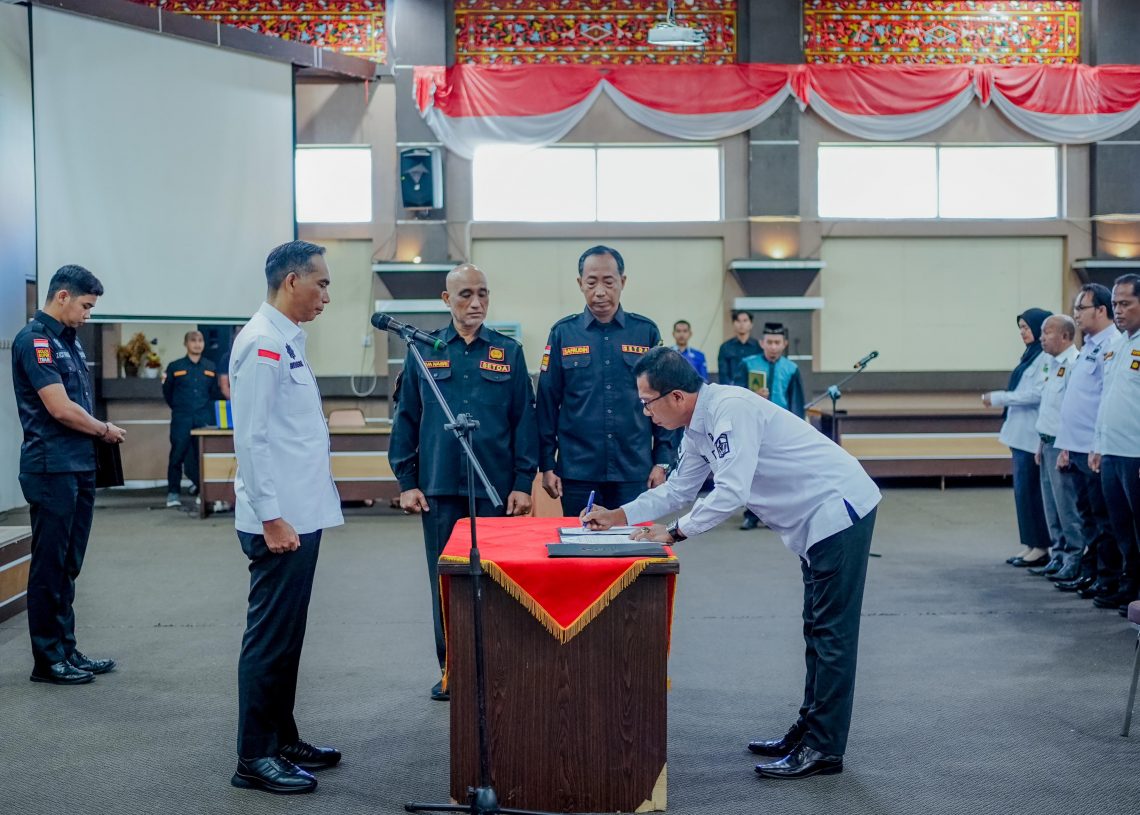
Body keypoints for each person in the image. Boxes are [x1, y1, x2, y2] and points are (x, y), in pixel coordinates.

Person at [582, 347, 880, 780]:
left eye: (647, 402)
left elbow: (732, 492)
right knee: (815, 628)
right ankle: (810, 729)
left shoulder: (729, 411)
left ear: (678, 396)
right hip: (814, 521)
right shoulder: (697, 427)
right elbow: (680, 491)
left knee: (831, 633)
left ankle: (824, 747)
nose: (645, 412)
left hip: (838, 511)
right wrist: (620, 515)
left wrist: (675, 532)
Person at [389, 263, 537, 702]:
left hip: (495, 488)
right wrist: (406, 480)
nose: (475, 303)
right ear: (445, 299)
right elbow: (407, 420)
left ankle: (497, 666)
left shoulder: (508, 352)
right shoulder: (423, 351)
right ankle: (452, 667)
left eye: (483, 294)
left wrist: (524, 481)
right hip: (440, 488)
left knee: (496, 581)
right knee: (447, 582)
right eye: (465, 295)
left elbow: (523, 421)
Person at [229, 241, 343, 795]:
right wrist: (272, 517)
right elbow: (249, 439)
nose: (327, 294)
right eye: (320, 283)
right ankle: (253, 757)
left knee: (289, 637)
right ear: (291, 281)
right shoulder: (263, 343)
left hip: (300, 515)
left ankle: (281, 736)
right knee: (270, 639)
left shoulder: (286, 341)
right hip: (279, 524)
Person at [12, 264, 126, 685]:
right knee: (49, 565)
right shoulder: (36, 341)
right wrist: (104, 430)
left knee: (69, 565)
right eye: (85, 306)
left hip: (79, 465)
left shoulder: (69, 343)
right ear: (62, 296)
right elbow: (59, 408)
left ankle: (66, 649)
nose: (88, 314)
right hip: (51, 467)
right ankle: (47, 659)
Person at [536, 245, 675, 515]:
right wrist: (546, 465)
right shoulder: (563, 333)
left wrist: (663, 460)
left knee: (631, 548)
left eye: (608, 282)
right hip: (578, 471)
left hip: (633, 468)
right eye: (591, 282)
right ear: (580, 284)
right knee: (581, 547)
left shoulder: (645, 332)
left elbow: (664, 400)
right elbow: (547, 403)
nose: (600, 291)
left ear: (622, 282)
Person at [1052, 284, 1121, 598]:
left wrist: (1096, 444)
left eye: (1081, 308)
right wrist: (1065, 444)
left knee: (1102, 518)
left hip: (1094, 449)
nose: (1076, 315)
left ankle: (1108, 578)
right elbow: (1075, 399)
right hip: (1076, 445)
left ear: (1101, 310)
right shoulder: (1090, 345)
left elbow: (1106, 400)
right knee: (1086, 516)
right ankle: (1090, 572)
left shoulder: (1113, 345)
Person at [983, 308, 1052, 568]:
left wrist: (1000, 397)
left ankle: (1041, 545)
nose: (1023, 333)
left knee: (1031, 493)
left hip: (1032, 435)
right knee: (1023, 493)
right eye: (1020, 328)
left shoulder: (1045, 357)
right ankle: (1031, 544)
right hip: (1020, 435)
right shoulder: (1030, 356)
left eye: (1026, 327)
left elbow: (1035, 394)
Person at [1089, 273, 1140, 613]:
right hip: (1112, 451)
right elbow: (1106, 398)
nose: (1118, 311)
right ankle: (1130, 586)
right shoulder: (1116, 345)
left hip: (1135, 453)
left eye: (1126, 303)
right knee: (1121, 527)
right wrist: (1097, 444)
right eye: (1115, 304)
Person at [1027, 315, 1081, 580]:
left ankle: (1075, 558)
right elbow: (1049, 409)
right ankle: (1058, 554)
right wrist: (1040, 443)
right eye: (1041, 332)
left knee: (1066, 506)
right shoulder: (1050, 363)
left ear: (1065, 336)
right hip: (1047, 443)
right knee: (1051, 505)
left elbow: (1073, 411)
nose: (1041, 337)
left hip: (1063, 447)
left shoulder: (1074, 364)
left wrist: (1067, 448)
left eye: (1047, 332)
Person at [739, 322, 805, 530]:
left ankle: (775, 515)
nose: (773, 347)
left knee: (778, 472)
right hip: (753, 426)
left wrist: (797, 431)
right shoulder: (748, 364)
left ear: (784, 344)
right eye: (769, 342)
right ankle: (751, 514)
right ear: (762, 343)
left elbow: (796, 402)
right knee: (753, 472)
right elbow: (735, 393)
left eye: (777, 342)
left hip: (780, 428)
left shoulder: (792, 369)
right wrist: (752, 396)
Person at [162, 330, 220, 507]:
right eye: (193, 341)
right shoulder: (175, 366)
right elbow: (168, 393)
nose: (197, 344)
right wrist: (180, 408)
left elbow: (213, 393)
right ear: (186, 343)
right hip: (182, 418)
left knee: (202, 456)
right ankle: (173, 493)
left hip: (203, 418)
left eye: (200, 340)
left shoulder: (210, 367)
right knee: (177, 455)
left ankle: (203, 490)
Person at [716, 309, 760, 387]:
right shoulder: (725, 347)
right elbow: (723, 374)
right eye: (738, 321)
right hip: (732, 390)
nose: (741, 324)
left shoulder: (758, 346)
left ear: (751, 324)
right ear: (733, 323)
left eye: (745, 321)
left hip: (753, 390)